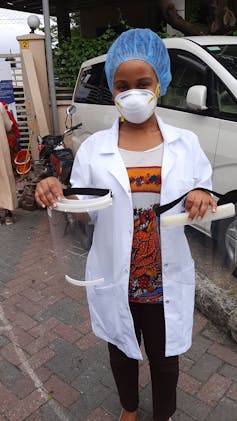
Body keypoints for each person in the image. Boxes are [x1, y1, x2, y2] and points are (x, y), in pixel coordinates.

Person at [35, 28, 217, 421]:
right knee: (121, 348)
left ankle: (163, 413)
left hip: (162, 277)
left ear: (159, 84)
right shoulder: (95, 150)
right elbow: (81, 210)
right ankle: (130, 408)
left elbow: (203, 189)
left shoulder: (184, 144)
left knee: (165, 354)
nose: (133, 93)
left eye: (143, 83)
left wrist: (204, 193)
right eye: (123, 85)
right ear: (113, 90)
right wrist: (55, 190)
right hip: (114, 274)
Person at [0, 102, 18, 225]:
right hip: (1, 151)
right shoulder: (0, 106)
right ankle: (7, 214)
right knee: (5, 179)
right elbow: (8, 127)